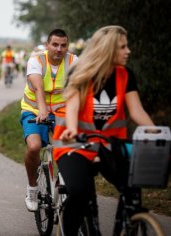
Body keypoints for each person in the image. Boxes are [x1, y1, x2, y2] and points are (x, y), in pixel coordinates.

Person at [53, 25, 154, 235]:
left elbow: (136, 111)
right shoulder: (79, 72)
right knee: (80, 193)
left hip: (110, 145)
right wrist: (72, 129)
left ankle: (130, 224)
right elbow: (72, 106)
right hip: (75, 143)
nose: (128, 51)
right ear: (108, 49)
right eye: (122, 47)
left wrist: (158, 133)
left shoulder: (125, 75)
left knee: (132, 189)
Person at [20, 29, 78, 212]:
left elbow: (79, 88)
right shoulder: (36, 61)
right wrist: (42, 110)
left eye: (63, 45)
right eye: (55, 44)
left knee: (67, 147)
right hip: (34, 109)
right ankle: (32, 188)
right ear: (47, 45)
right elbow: (38, 88)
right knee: (34, 147)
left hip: (62, 110)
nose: (59, 49)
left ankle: (65, 184)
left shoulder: (73, 61)